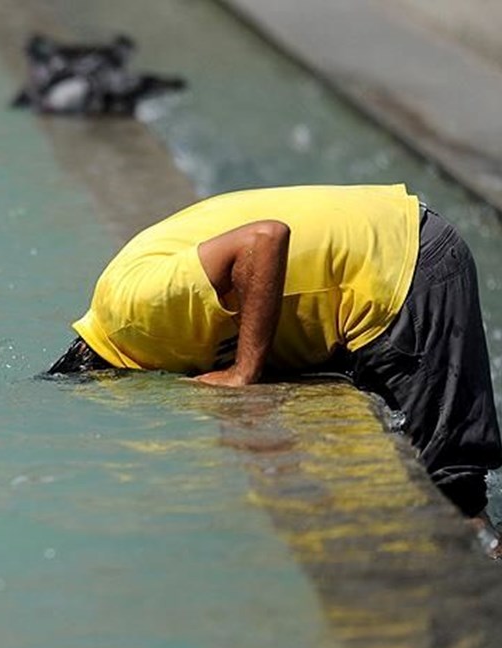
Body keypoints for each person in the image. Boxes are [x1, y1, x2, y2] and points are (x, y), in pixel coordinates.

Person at [50, 184, 502, 539]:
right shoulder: (125, 312)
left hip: (402, 268)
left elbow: (264, 238)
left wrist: (243, 371)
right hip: (385, 253)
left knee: (450, 495)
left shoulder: (135, 311)